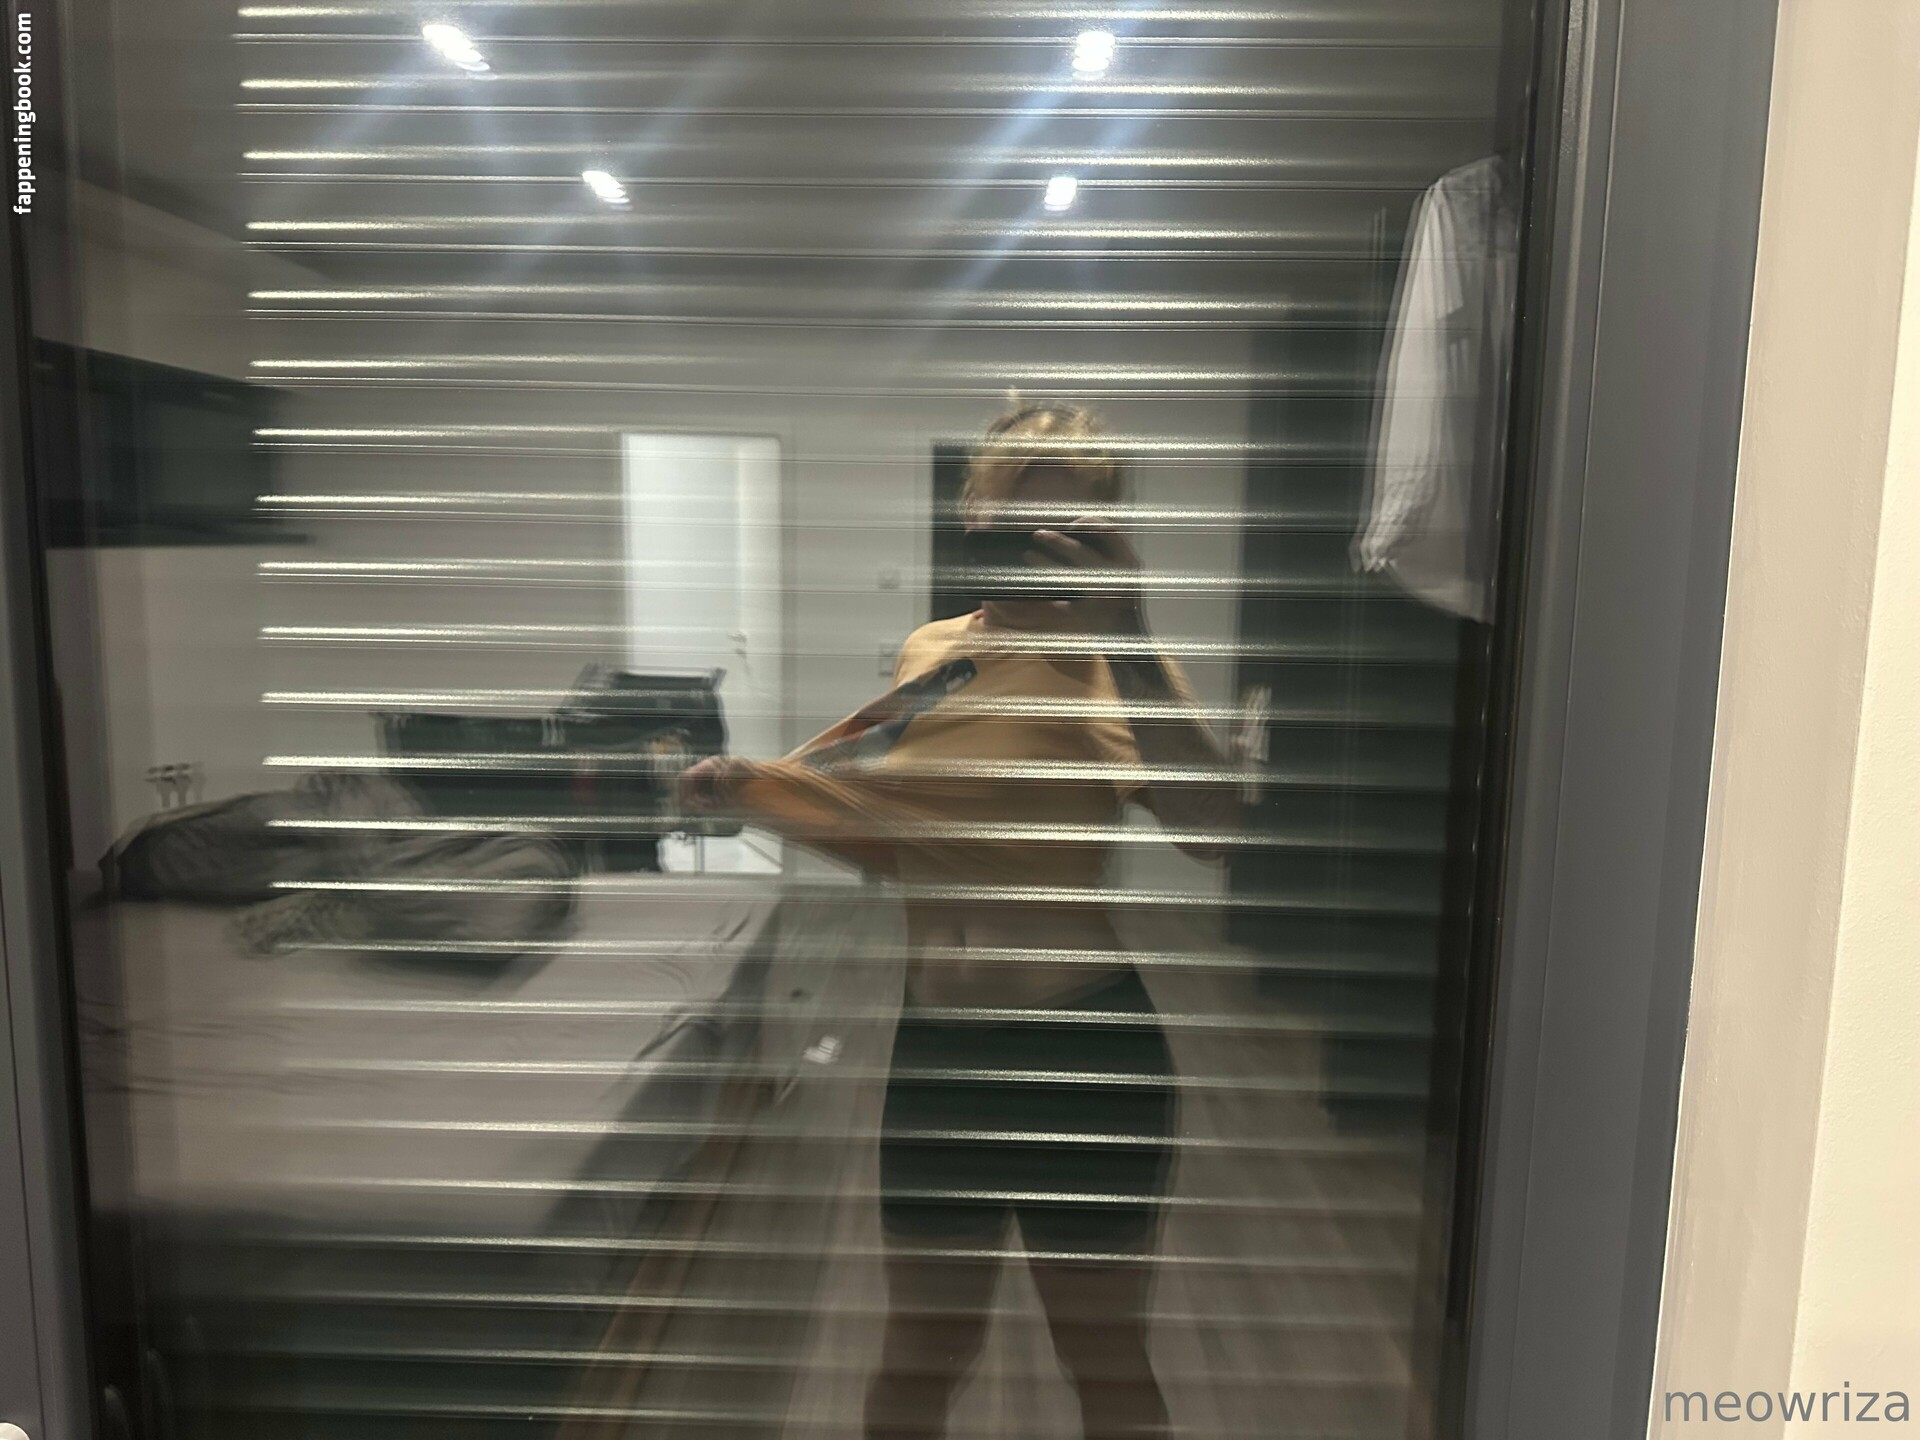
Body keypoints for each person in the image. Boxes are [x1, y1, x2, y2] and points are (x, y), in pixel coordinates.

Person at [678, 400, 1243, 1440]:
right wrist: (750, 790)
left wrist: (1131, 631)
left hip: (1082, 1053)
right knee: (917, 1352)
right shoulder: (930, 651)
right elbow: (891, 823)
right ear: (975, 512)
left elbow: (1214, 832)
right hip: (937, 1053)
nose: (1037, 542)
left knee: (1102, 1356)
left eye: (1066, 524)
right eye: (1018, 515)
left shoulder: (1118, 664)